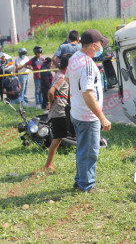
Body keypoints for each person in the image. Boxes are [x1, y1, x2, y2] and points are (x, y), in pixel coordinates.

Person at [65, 29, 111, 193]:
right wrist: (102, 117)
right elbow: (87, 92)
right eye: (100, 44)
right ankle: (87, 185)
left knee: (82, 148)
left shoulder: (74, 58)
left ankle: (80, 181)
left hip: (77, 112)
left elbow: (67, 78)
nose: (101, 47)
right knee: (90, 151)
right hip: (88, 116)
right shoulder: (88, 64)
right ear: (93, 45)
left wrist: (76, 97)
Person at [40, 53, 72, 173]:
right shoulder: (61, 76)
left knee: (58, 138)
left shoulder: (62, 75)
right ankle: (48, 164)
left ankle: (49, 164)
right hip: (60, 112)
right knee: (58, 138)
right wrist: (50, 103)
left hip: (62, 111)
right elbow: (51, 91)